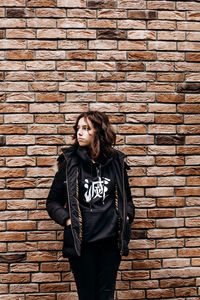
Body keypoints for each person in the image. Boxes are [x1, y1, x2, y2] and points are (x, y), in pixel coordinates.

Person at [46, 111, 135, 300]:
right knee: (87, 296)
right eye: (78, 128)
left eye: (86, 128)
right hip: (82, 243)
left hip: (111, 242)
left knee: (106, 296)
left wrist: (127, 217)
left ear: (99, 132)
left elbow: (127, 198)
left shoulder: (117, 162)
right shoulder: (69, 163)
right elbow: (52, 202)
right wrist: (68, 220)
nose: (80, 133)